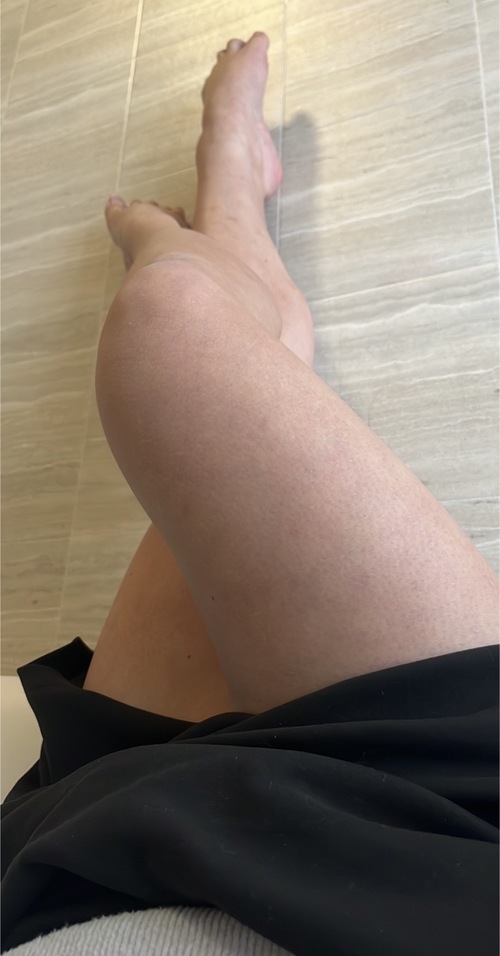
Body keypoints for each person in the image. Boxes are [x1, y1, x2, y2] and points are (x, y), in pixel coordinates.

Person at [1, 32, 498, 956]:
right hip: (444, 845)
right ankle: (216, 202)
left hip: (100, 847)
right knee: (179, 333)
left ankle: (216, 213)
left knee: (205, 344)